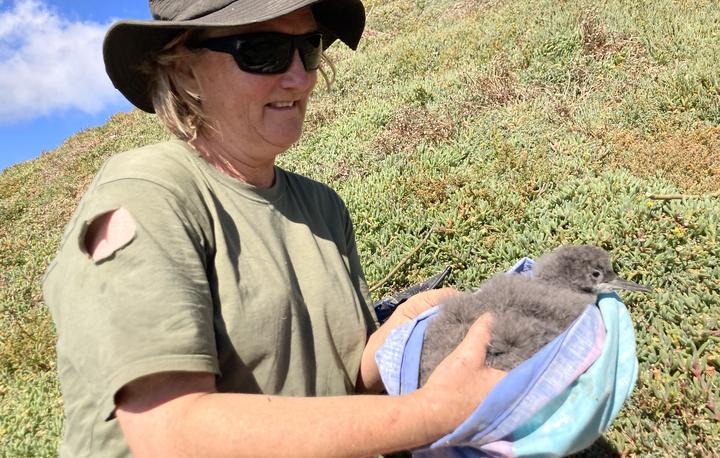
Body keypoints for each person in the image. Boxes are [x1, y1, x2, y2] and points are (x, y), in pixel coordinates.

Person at [43, 1, 505, 456]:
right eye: (262, 51)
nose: (301, 78)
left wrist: (404, 329)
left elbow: (346, 383)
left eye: (308, 47)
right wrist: (433, 412)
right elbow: (168, 431)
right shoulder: (147, 197)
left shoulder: (322, 207)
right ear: (184, 69)